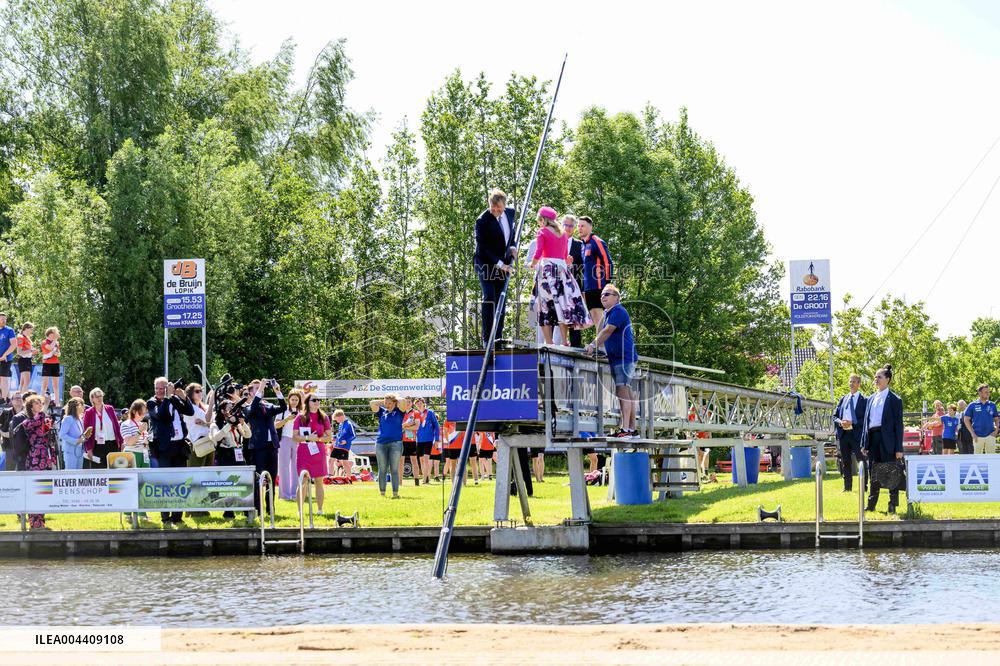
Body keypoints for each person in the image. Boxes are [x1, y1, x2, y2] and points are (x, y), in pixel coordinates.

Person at [530, 206, 592, 346]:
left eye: (539, 220)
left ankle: (549, 343)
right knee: (561, 306)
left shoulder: (543, 232)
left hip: (547, 272)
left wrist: (533, 264)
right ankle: (564, 342)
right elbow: (564, 257)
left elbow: (539, 252)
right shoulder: (563, 234)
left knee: (544, 307)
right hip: (562, 272)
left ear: (542, 219)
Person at [585, 284, 638, 438]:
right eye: (602, 295)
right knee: (626, 391)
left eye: (607, 294)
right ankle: (631, 430)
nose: (603, 297)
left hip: (624, 357)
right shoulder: (609, 313)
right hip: (618, 357)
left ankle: (626, 429)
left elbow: (607, 331)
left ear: (616, 297)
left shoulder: (618, 311)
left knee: (622, 390)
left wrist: (593, 344)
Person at [146, 377, 194, 526]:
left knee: (180, 481)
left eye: (163, 388)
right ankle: (165, 516)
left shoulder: (173, 399)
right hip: (163, 448)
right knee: (165, 482)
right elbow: (161, 415)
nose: (160, 391)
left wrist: (183, 397)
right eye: (158, 388)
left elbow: (190, 411)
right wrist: (167, 397)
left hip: (179, 446)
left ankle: (177, 516)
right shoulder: (151, 402)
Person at [474, 189, 518, 346]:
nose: (494, 210)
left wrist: (512, 246)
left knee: (501, 299)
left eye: (498, 207)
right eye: (492, 207)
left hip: (503, 264)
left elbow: (510, 236)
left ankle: (498, 339)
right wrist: (502, 266)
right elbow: (484, 249)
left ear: (504, 205)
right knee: (489, 298)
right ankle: (487, 339)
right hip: (485, 264)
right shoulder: (482, 221)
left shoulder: (511, 214)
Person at [861, 364, 904, 514]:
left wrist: (899, 448)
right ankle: (871, 504)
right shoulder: (871, 398)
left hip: (889, 440)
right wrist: (864, 443)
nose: (876, 379)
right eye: (875, 377)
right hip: (873, 438)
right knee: (873, 472)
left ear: (887, 379)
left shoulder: (895, 400)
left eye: (879, 377)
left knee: (891, 472)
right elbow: (866, 422)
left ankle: (892, 504)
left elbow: (899, 425)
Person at [245, 379, 286, 516]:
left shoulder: (267, 405)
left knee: (271, 479)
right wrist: (259, 389)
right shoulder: (249, 406)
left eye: (261, 388)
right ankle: (257, 508)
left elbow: (283, 408)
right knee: (257, 479)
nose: (260, 390)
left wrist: (278, 392)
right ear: (250, 393)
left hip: (271, 446)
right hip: (258, 447)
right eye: (256, 388)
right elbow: (251, 411)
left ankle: (270, 508)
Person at [294, 394, 332, 513]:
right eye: (314, 400)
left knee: (319, 481)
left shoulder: (324, 417)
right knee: (303, 480)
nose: (317, 402)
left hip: (318, 451)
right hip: (304, 451)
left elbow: (329, 437)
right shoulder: (300, 417)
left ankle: (320, 509)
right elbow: (295, 437)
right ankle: (300, 510)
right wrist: (307, 437)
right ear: (307, 402)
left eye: (318, 400)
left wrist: (317, 439)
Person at [22, 395, 55, 530]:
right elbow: (38, 420)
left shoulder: (44, 420)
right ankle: (34, 523)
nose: (40, 404)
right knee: (35, 490)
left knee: (44, 491)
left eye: (40, 403)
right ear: (30, 406)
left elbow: (48, 440)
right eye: (37, 403)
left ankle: (41, 521)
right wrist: (45, 406)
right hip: (35, 459)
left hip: (45, 459)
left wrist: (52, 459)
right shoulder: (27, 422)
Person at [577, 215, 614, 332]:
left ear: (590, 227)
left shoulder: (597, 241)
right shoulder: (583, 245)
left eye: (582, 226)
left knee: (598, 317)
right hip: (588, 288)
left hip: (598, 286)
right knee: (594, 316)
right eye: (578, 226)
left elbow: (608, 262)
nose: (579, 228)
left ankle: (601, 348)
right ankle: (600, 346)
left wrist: (607, 283)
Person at [833, 374, 868, 492]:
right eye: (850, 381)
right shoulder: (843, 399)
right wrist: (841, 422)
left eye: (854, 382)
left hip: (857, 435)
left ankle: (864, 486)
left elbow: (866, 419)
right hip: (844, 434)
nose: (851, 384)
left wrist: (852, 423)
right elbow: (835, 416)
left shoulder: (864, 401)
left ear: (859, 384)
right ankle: (847, 487)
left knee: (861, 461)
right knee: (845, 462)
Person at [371, 394, 405, 497]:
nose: (387, 405)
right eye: (386, 403)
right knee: (382, 469)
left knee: (394, 469)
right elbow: (372, 403)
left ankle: (395, 493)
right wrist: (384, 401)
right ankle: (382, 493)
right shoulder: (381, 411)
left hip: (396, 443)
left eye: (389, 403)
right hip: (381, 443)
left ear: (395, 403)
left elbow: (403, 401)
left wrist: (394, 399)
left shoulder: (399, 411)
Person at [82, 387, 122, 469]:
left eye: (101, 396)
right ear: (92, 399)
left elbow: (117, 427)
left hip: (112, 444)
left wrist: (121, 442)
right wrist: (89, 449)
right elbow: (86, 432)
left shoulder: (110, 409)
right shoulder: (89, 412)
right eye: (97, 397)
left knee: (113, 469)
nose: (99, 398)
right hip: (97, 446)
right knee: (99, 471)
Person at [275, 389, 304, 500]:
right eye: (292, 399)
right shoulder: (283, 410)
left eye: (297, 400)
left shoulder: (301, 412)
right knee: (284, 466)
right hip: (284, 439)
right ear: (289, 399)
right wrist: (287, 419)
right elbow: (276, 425)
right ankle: (284, 494)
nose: (294, 401)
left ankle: (295, 493)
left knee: (296, 467)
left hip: (297, 440)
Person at [564, 215, 585, 348]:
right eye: (565, 225)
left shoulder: (580, 244)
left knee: (575, 317)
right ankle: (559, 344)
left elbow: (585, 268)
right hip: (556, 285)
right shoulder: (554, 242)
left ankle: (576, 347)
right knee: (556, 316)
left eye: (571, 226)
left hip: (575, 286)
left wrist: (583, 290)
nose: (567, 228)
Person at [184, 382, 214, 467]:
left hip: (208, 442)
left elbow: (212, 422)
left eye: (201, 390)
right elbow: (208, 419)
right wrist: (211, 402)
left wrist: (205, 424)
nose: (200, 393)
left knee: (208, 473)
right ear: (190, 394)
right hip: (196, 444)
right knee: (195, 473)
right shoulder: (191, 408)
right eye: (197, 391)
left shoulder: (204, 407)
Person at [963, 384, 999, 455]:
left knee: (991, 459)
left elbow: (996, 419)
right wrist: (972, 433)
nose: (988, 394)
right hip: (977, 436)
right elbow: (966, 419)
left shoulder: (992, 405)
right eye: (986, 392)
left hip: (990, 435)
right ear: (980, 393)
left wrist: (996, 431)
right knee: (977, 459)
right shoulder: (972, 405)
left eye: (989, 392)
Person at [414, 397, 440, 485]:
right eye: (417, 403)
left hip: (428, 439)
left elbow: (437, 426)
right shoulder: (415, 413)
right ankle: (426, 476)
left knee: (426, 459)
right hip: (419, 440)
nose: (419, 404)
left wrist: (436, 439)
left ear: (424, 403)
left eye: (420, 402)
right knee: (421, 460)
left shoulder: (430, 413)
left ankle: (424, 480)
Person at [119, 399, 152, 467]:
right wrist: (140, 431)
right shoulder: (125, 424)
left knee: (145, 477)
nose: (143, 415)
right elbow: (129, 442)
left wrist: (147, 442)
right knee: (133, 477)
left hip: (144, 455)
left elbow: (145, 442)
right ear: (134, 411)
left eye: (144, 412)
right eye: (141, 413)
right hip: (132, 454)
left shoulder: (142, 424)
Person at [58, 398, 89, 469]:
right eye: (82, 404)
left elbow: (79, 436)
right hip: (70, 452)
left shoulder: (80, 419)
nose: (84, 407)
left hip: (80, 452)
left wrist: (85, 436)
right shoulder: (68, 418)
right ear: (77, 406)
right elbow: (62, 434)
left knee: (78, 475)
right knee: (70, 475)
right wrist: (76, 441)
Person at [401, 397, 422, 486]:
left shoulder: (416, 413)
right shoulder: (400, 413)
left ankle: (416, 482)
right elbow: (397, 426)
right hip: (401, 440)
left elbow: (417, 427)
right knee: (400, 462)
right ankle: (399, 483)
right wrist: (406, 426)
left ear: (412, 403)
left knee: (414, 461)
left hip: (412, 440)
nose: (408, 403)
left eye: (409, 402)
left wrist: (405, 427)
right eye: (406, 402)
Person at [331, 409, 356, 478]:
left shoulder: (349, 424)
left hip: (344, 447)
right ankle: (331, 476)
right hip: (338, 446)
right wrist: (335, 437)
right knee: (333, 460)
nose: (337, 421)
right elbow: (340, 435)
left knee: (344, 462)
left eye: (337, 419)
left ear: (341, 417)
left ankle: (349, 478)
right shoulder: (341, 424)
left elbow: (353, 435)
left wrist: (346, 441)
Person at [39, 327, 60, 405]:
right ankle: (41, 401)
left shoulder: (56, 343)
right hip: (47, 364)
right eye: (54, 334)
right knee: (45, 383)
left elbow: (58, 353)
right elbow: (50, 347)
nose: (55, 335)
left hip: (55, 364)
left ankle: (57, 402)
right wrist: (55, 340)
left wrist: (57, 353)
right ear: (50, 334)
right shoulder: (44, 342)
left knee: (56, 384)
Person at [11, 322, 34, 392]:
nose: (32, 331)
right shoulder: (20, 337)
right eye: (31, 329)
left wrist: (32, 353)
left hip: (27, 360)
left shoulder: (27, 338)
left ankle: (20, 397)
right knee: (26, 382)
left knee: (23, 382)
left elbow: (27, 351)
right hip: (24, 360)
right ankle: (24, 399)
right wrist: (31, 350)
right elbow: (19, 352)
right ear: (26, 328)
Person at [0, 313, 16, 402]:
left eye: (5, 319)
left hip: (5, 358)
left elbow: (14, 344)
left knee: (3, 377)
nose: (4, 321)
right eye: (2, 319)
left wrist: (4, 355)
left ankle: (4, 399)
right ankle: (8, 398)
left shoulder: (9, 330)